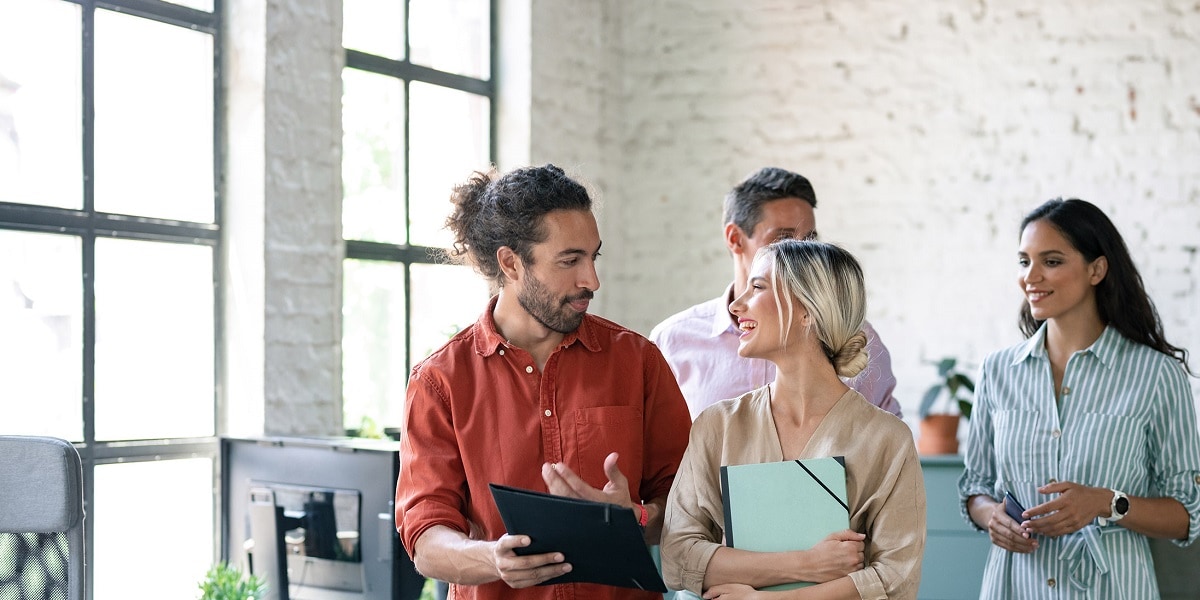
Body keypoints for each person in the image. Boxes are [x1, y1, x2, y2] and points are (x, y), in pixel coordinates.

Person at [394, 164, 692, 600]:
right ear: (510, 263)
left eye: (593, 257)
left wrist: (639, 518)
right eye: (570, 261)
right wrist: (492, 558)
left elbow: (690, 507)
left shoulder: (639, 361)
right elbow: (425, 536)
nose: (591, 280)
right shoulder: (440, 381)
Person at [959, 198, 1200, 598]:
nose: (1030, 277)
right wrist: (991, 517)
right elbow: (976, 487)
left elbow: (1186, 514)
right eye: (1024, 262)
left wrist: (1107, 503)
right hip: (1015, 586)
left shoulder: (1156, 375)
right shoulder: (997, 371)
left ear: (1096, 270)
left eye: (1051, 261)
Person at [660, 239, 926, 599]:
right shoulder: (717, 426)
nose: (736, 305)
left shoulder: (887, 439)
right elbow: (677, 557)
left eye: (757, 287)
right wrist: (804, 564)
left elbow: (897, 578)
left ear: (808, 310)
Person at [650, 167, 901, 420]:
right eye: (784, 239)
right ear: (735, 238)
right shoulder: (671, 342)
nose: (801, 256)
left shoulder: (851, 337)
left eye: (809, 240)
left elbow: (886, 438)